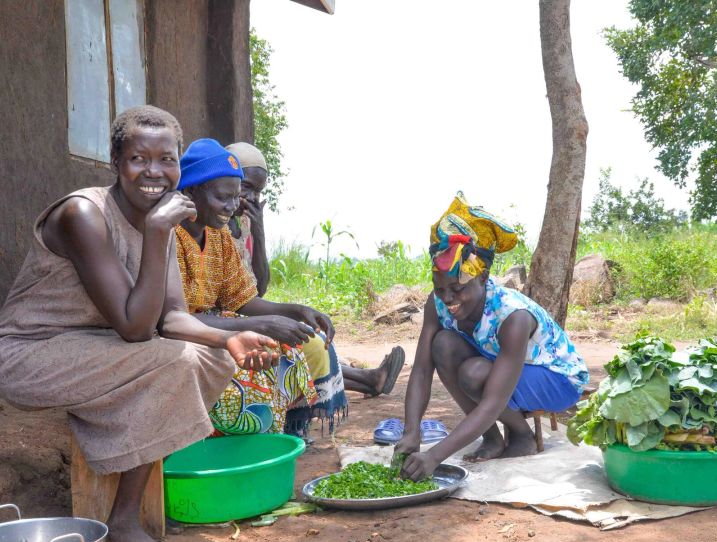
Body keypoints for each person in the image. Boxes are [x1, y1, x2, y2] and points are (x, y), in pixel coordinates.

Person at [0, 106, 277, 542]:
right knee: (175, 361)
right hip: (31, 354)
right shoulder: (84, 214)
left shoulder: (156, 220)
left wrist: (229, 340)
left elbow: (174, 318)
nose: (155, 172)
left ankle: (120, 463)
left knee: (210, 359)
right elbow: (137, 327)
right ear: (115, 162)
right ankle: (122, 525)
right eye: (140, 159)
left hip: (97, 348)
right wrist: (159, 231)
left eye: (167, 160)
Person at [174, 139, 404, 436]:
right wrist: (264, 323)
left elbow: (243, 297)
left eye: (236, 197)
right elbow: (175, 318)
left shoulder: (216, 237)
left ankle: (286, 435)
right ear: (192, 191)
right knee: (254, 375)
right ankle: (239, 451)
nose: (233, 207)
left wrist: (297, 311)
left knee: (294, 351)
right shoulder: (170, 236)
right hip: (187, 339)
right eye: (224, 198)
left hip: (221, 327)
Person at [394, 193, 589, 481]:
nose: (448, 298)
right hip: (505, 370)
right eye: (440, 289)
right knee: (443, 345)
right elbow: (422, 369)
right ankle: (493, 437)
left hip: (556, 378)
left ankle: (521, 436)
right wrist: (412, 433)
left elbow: (493, 400)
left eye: (458, 289)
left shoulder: (513, 316)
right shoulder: (437, 305)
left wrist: (435, 456)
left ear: (483, 279)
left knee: (474, 374)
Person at [224, 141, 406, 397]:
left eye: (258, 192)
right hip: (225, 319)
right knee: (300, 343)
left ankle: (369, 379)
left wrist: (258, 230)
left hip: (245, 309)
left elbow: (260, 288)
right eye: (247, 188)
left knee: (308, 337)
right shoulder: (212, 223)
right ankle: (368, 379)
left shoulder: (243, 223)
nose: (251, 198)